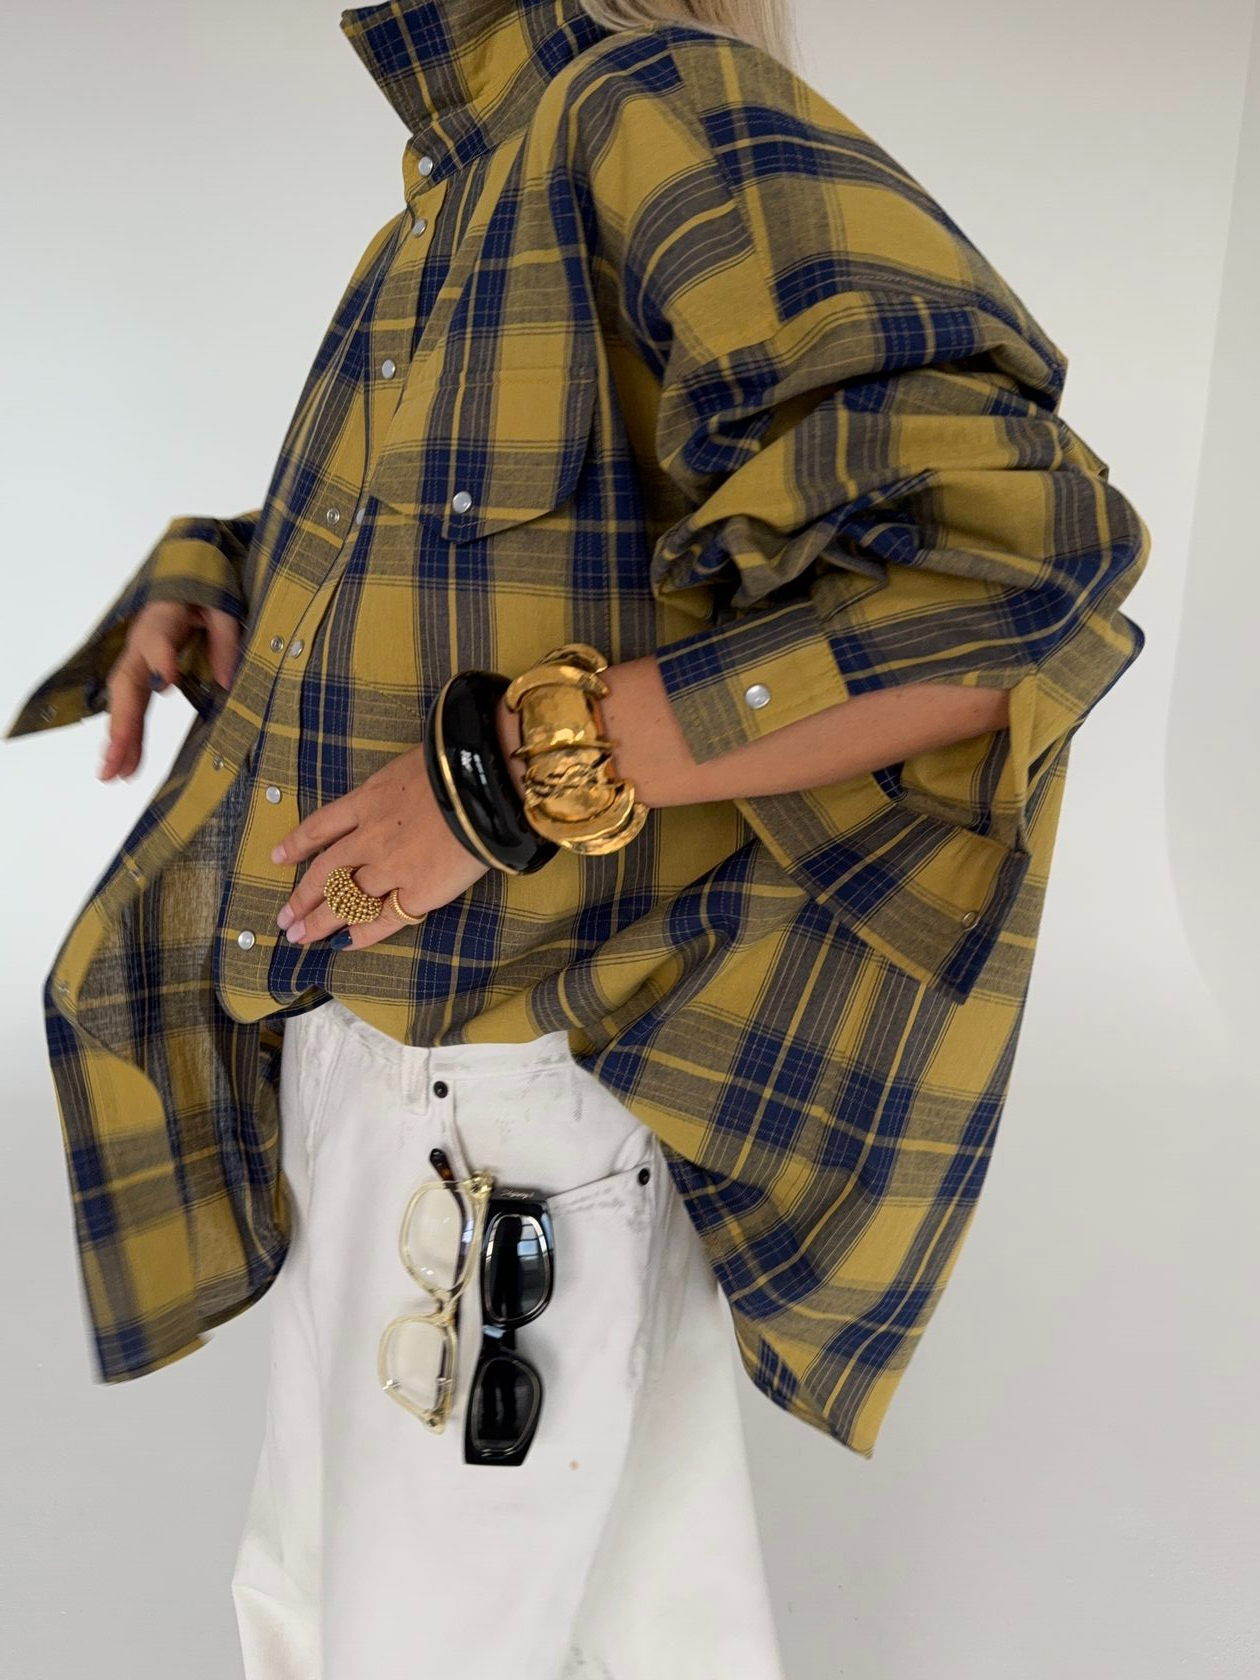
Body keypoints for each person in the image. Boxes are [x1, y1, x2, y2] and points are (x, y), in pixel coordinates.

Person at [5, 1, 1150, 1676]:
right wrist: (216, 575)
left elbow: (1013, 572)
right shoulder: (468, 183)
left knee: (398, 1636)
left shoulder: (645, 105)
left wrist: (512, 780)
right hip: (386, 1058)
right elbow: (491, 547)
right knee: (532, 1617)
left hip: (496, 1099)